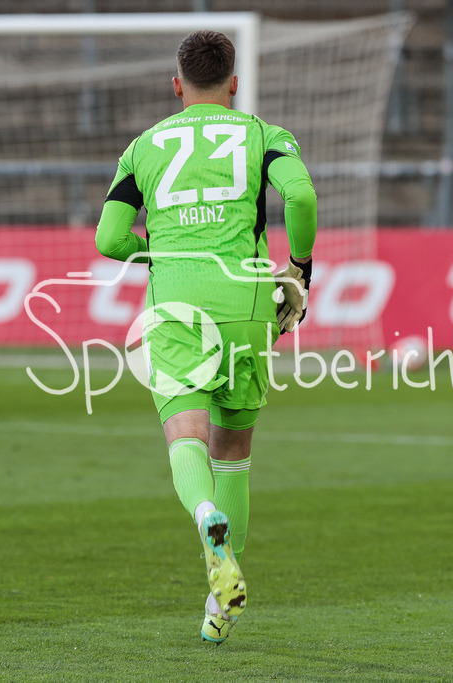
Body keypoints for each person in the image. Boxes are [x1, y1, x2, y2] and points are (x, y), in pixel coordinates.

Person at [94, 29, 316, 644]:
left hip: (178, 306)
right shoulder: (265, 135)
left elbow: (109, 240)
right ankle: (219, 609)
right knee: (234, 452)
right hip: (246, 301)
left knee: (183, 437)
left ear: (176, 85)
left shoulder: (143, 147)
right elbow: (299, 193)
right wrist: (300, 264)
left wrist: (161, 256)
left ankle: (203, 514)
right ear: (234, 83)